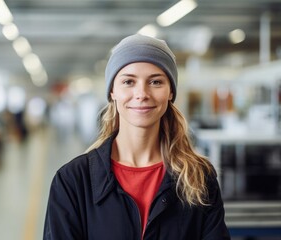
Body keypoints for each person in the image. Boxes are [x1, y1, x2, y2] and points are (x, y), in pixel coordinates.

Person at [43, 34, 231, 240]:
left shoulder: (199, 177)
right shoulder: (73, 181)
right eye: (129, 81)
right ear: (112, 91)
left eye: (156, 81)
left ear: (170, 92)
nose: (142, 93)